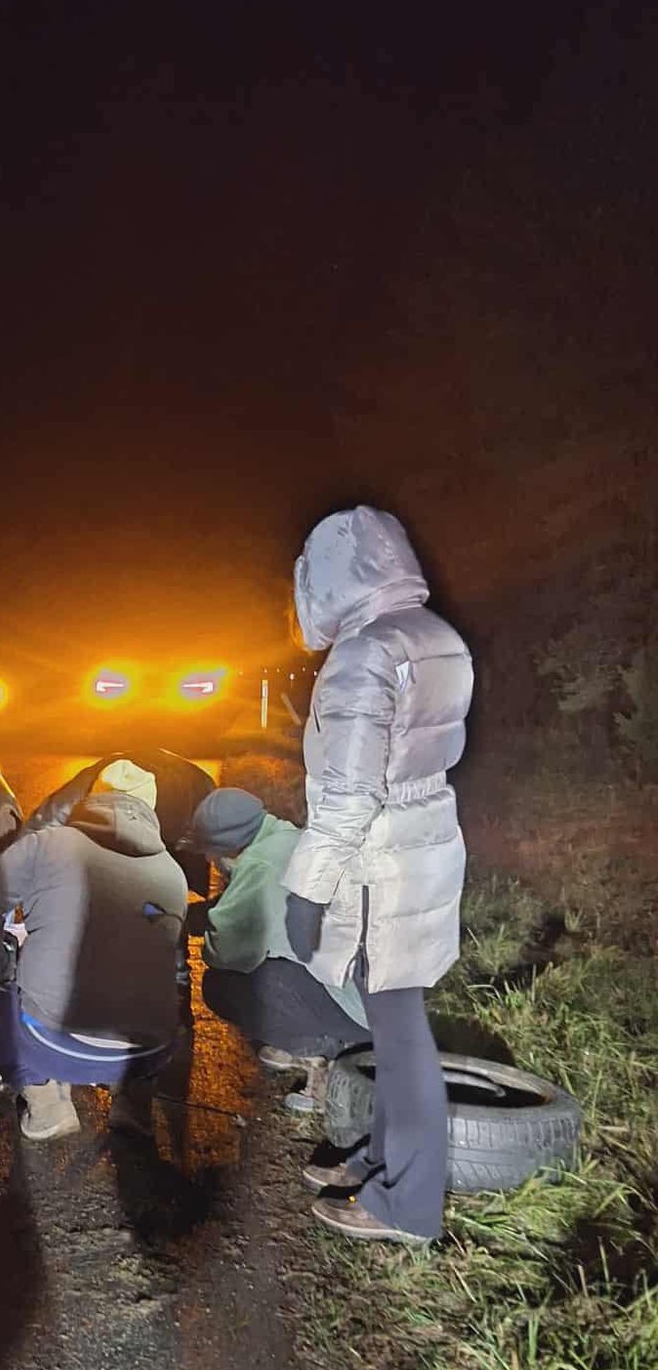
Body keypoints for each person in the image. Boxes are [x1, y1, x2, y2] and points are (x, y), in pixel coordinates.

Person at [282, 506, 474, 1244]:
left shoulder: (364, 654)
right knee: (400, 1025)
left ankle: (408, 1203)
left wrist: (308, 886)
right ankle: (384, 1159)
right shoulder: (436, 637)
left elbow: (349, 796)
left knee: (400, 1035)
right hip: (424, 848)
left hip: (378, 873)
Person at [0, 757, 189, 1140]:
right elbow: (174, 962)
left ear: (94, 800)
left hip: (55, 1046)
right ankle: (132, 1101)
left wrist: (0, 969)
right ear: (150, 810)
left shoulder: (48, 845)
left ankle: (45, 1101)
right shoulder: (173, 872)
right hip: (150, 1052)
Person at [189, 786, 368, 1112]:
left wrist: (202, 928)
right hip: (377, 993)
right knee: (275, 961)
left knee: (223, 983)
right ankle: (324, 1041)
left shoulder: (260, 864)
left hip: (356, 1011)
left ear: (229, 845)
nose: (209, 860)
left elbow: (227, 951)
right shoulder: (291, 839)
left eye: (211, 851)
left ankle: (326, 1052)